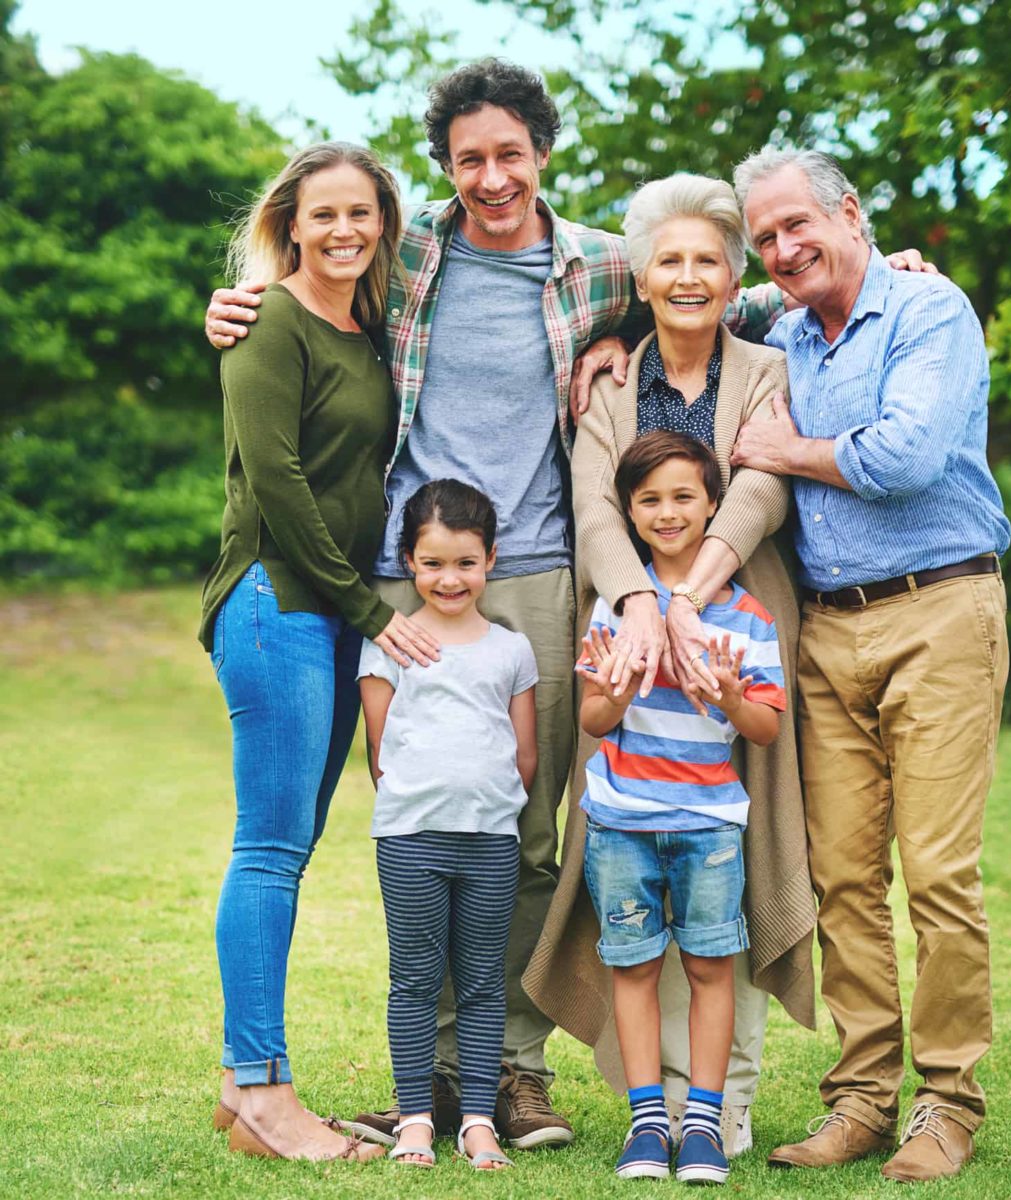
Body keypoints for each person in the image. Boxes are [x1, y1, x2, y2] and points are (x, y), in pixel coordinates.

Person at [204, 59, 787, 1149]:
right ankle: (425, 1077)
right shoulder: (405, 246)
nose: (491, 176)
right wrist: (233, 302)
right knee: (427, 818)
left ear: (543, 154)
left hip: (541, 577)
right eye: (469, 158)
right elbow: (309, 281)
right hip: (408, 573)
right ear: (443, 168)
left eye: (509, 153)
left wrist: (853, 275)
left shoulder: (599, 264)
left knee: (525, 831)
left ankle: (508, 1071)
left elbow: (705, 284)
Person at [730, 147, 1011, 1184]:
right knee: (841, 877)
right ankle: (860, 1098)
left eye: (800, 223)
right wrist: (602, 351)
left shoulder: (931, 314)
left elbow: (903, 458)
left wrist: (782, 449)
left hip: (941, 609)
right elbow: (683, 288)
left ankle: (946, 1103)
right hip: (823, 630)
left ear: (848, 211)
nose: (784, 247)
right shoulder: (785, 328)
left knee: (937, 875)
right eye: (766, 236)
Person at [523, 174, 815, 1159]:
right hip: (622, 628)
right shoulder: (610, 380)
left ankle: (720, 1107)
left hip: (739, 619)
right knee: (627, 844)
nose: (688, 277)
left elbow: (764, 489)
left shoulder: (767, 370)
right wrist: (642, 603)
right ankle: (655, 1102)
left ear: (734, 277)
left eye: (706, 261)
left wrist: (693, 598)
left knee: (747, 851)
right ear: (641, 278)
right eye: (669, 261)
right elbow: (595, 504)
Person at [198, 140, 420, 1162]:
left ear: (383, 224)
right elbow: (277, 482)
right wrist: (371, 615)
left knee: (289, 845)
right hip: (273, 598)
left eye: (361, 215)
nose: (343, 231)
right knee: (271, 845)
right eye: (323, 214)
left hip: (325, 611)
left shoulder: (367, 323)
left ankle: (259, 1091)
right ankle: (258, 1088)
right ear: (289, 219)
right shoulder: (268, 318)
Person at [576, 431, 785, 1185]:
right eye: (650, 501)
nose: (668, 513)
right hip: (621, 824)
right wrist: (627, 679)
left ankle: (702, 1122)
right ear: (629, 513)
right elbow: (595, 721)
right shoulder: (616, 607)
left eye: (683, 497)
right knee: (631, 972)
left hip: (709, 827)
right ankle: (645, 1122)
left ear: (714, 505)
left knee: (709, 970)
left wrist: (727, 692)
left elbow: (762, 727)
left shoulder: (749, 619)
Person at [358, 479, 538, 1173]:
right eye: (432, 563)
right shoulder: (391, 645)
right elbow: (380, 752)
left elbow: (525, 753)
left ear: (490, 560)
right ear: (409, 561)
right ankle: (413, 1119)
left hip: (490, 841)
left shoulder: (511, 650)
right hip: (411, 840)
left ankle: (476, 1122)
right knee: (414, 979)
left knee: (484, 981)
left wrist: (488, 805)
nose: (449, 578)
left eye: (465, 562)